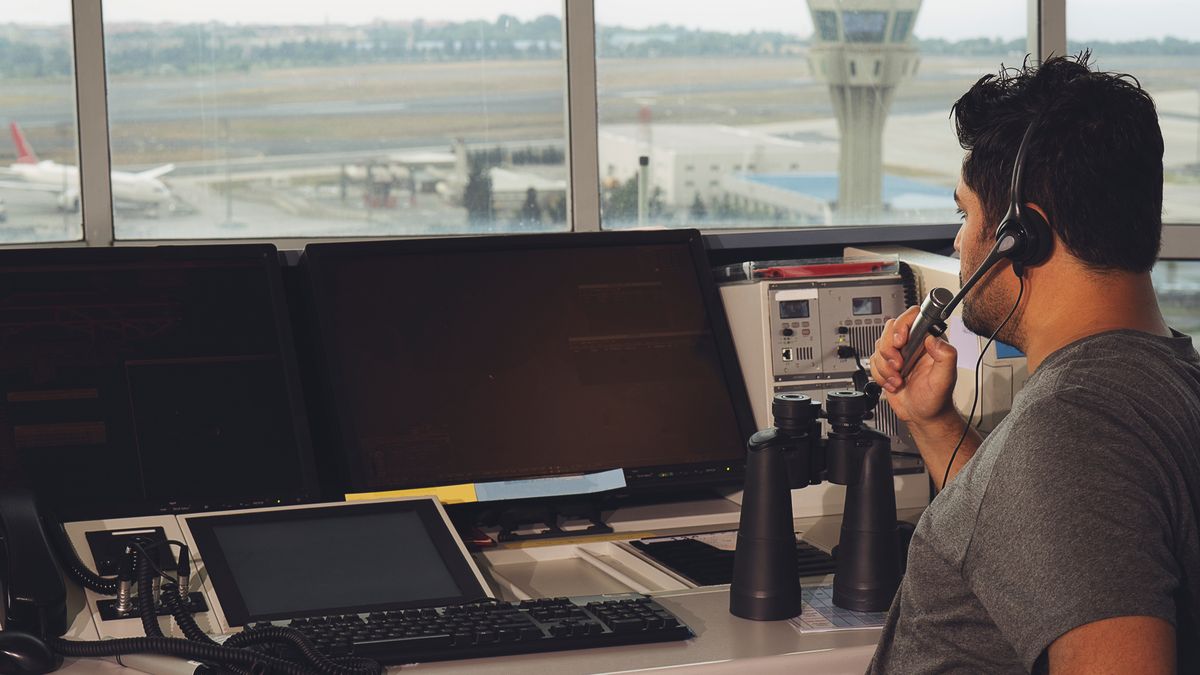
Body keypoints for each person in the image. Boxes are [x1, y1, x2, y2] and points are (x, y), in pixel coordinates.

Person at [867, 53, 1200, 674]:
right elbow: (1035, 536)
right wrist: (935, 424)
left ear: (1024, 235)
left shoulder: (1074, 429)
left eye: (965, 214)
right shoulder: (1166, 381)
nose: (960, 242)